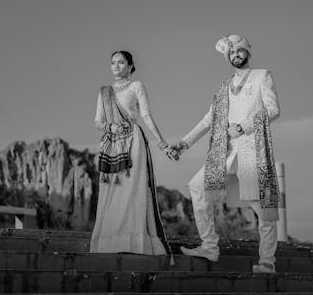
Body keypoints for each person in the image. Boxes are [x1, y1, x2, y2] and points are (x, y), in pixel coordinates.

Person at [173, 35, 281, 273]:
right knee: (196, 186)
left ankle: (267, 262)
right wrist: (184, 143)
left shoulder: (262, 76)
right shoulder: (224, 88)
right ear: (228, 58)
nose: (236, 56)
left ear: (247, 53)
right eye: (232, 53)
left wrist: (243, 126)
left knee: (263, 208)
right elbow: (207, 120)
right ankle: (210, 246)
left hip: (252, 150)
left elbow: (273, 109)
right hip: (225, 151)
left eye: (240, 51)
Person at [90, 50, 177, 260]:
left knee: (132, 190)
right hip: (112, 145)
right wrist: (111, 127)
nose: (116, 66)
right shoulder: (104, 92)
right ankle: (110, 240)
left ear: (130, 66)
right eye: (113, 63)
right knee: (113, 191)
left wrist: (162, 143)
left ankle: (134, 240)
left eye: (121, 62)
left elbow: (146, 115)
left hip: (133, 143)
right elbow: (97, 121)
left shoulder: (136, 86)